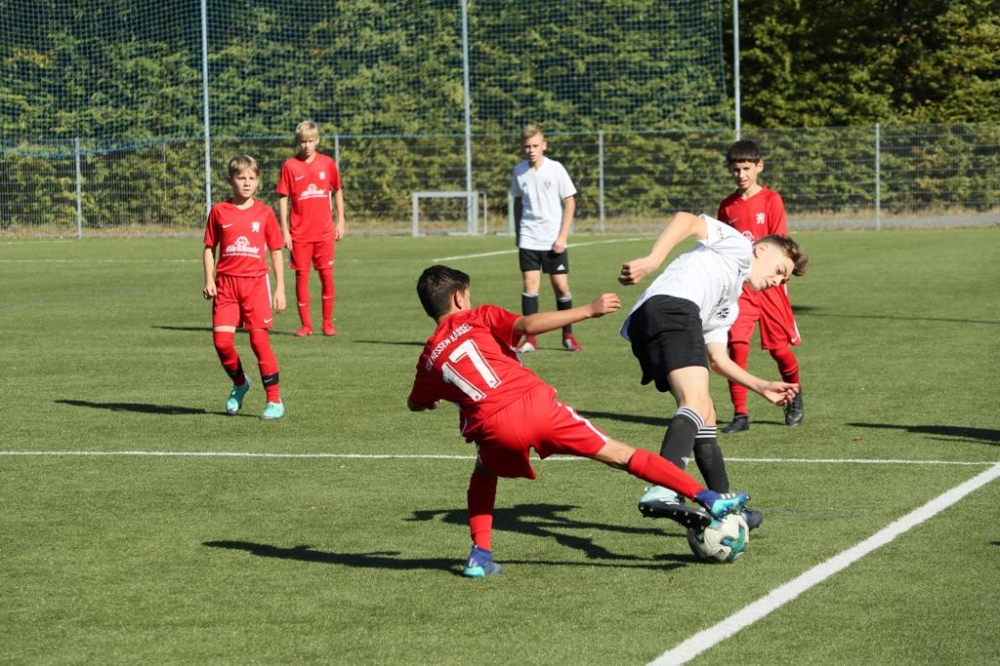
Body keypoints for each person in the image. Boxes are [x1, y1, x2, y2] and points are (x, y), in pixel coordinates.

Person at [406, 265, 751, 578]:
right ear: (459, 297)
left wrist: (432, 399)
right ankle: (709, 498)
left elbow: (416, 402)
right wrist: (588, 310)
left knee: (484, 472)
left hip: (493, 429)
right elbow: (526, 326)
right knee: (620, 454)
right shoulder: (477, 316)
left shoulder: (429, 358)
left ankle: (480, 554)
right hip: (535, 407)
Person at [617, 211, 808, 528]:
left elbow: (719, 359)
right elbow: (686, 220)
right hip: (673, 308)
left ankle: (724, 505)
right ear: (761, 250)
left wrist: (761, 386)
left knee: (705, 410)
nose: (777, 281)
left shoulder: (729, 304)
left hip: (661, 319)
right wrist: (652, 260)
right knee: (695, 401)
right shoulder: (739, 246)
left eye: (783, 281)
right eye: (779, 271)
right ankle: (664, 486)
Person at [716, 140, 804, 433]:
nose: (741, 175)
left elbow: (780, 244)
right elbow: (722, 245)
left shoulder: (771, 200)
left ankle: (794, 395)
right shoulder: (727, 206)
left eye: (746, 168)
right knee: (737, 349)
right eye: (735, 169)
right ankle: (740, 415)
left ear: (759, 167)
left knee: (779, 349)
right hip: (741, 288)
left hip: (769, 287)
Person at [203, 155, 287, 420]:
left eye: (252, 178)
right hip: (226, 285)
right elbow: (209, 247)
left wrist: (280, 288)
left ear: (258, 181)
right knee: (221, 343)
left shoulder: (265, 213)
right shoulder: (219, 211)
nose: (247, 183)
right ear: (230, 180)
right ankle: (240, 383)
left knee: (259, 342)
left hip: (255, 285)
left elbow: (276, 250)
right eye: (241, 178)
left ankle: (274, 400)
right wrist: (209, 279)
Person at [510, 124, 581, 353]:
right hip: (529, 237)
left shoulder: (556, 168)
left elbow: (570, 202)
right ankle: (530, 339)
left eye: (535, 146)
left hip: (553, 239)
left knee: (561, 286)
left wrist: (562, 236)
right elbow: (518, 201)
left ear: (544, 146)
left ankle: (568, 336)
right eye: (527, 146)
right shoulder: (519, 171)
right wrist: (518, 232)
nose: (531, 150)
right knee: (530, 285)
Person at [276, 120, 346, 337]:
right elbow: (283, 198)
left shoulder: (327, 163)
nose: (306, 145)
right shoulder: (290, 166)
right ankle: (306, 325)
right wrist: (285, 231)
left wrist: (340, 221)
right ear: (297, 142)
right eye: (303, 141)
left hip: (324, 232)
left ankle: (327, 323)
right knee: (301, 277)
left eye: (310, 141)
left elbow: (337, 190)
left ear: (317, 140)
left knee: (327, 276)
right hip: (299, 234)